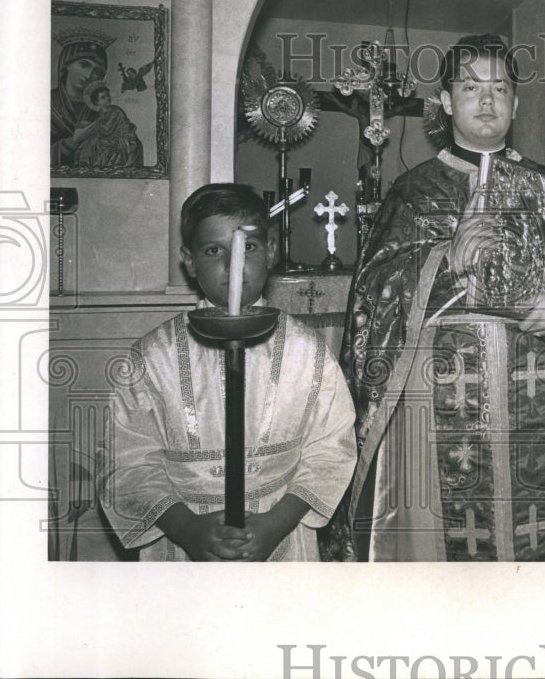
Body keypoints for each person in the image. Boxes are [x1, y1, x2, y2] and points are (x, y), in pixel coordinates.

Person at [339, 34, 545, 561]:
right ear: (447, 102)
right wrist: (444, 261)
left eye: (501, 87)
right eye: (472, 87)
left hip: (541, 390)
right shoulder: (415, 191)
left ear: (516, 103)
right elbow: (372, 298)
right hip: (439, 402)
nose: (488, 100)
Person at [97, 183, 357, 561]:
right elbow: (127, 462)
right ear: (189, 261)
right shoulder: (152, 358)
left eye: (248, 248)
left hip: (279, 536)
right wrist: (189, 530)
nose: (232, 265)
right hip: (184, 540)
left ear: (270, 251)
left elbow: (332, 449)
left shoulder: (307, 351)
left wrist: (274, 524)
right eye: (214, 250)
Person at [51, 29, 110, 166]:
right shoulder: (44, 104)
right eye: (84, 65)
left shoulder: (102, 110)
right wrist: (73, 141)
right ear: (66, 65)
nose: (89, 75)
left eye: (97, 71)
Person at [74, 82, 144, 167]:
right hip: (111, 138)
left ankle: (91, 165)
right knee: (88, 143)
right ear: (97, 102)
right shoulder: (101, 112)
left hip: (124, 138)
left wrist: (94, 126)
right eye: (103, 97)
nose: (108, 98)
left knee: (95, 143)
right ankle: (84, 164)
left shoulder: (116, 111)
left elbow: (107, 131)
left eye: (108, 95)